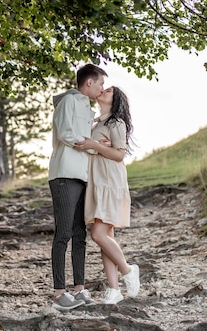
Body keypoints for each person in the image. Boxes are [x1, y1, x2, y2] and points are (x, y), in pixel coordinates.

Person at [48, 63, 107, 311]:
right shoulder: (69, 101)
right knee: (63, 234)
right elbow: (64, 132)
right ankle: (59, 293)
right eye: (101, 83)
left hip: (81, 176)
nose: (102, 89)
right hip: (64, 174)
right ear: (89, 82)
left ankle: (79, 289)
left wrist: (94, 142)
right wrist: (89, 143)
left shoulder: (86, 107)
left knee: (79, 234)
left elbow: (87, 141)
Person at [73, 86, 140, 304]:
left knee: (98, 235)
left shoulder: (116, 122)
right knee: (106, 238)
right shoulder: (98, 123)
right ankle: (114, 290)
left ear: (116, 99)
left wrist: (94, 145)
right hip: (98, 182)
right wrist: (94, 144)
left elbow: (119, 155)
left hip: (110, 182)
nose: (103, 90)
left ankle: (128, 270)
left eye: (109, 90)